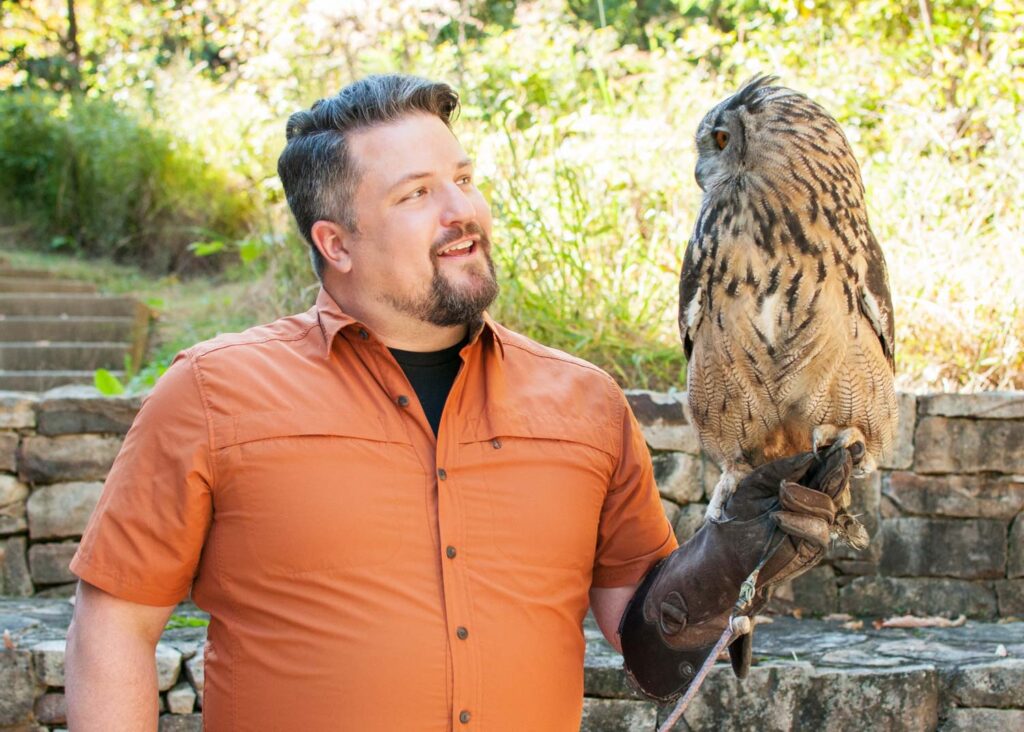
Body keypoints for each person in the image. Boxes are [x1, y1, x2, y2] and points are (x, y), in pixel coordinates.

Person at [65, 74, 852, 731]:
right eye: (417, 194)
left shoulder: (585, 403)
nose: (462, 211)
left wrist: (732, 556)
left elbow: (649, 648)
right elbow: (114, 627)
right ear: (335, 242)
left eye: (464, 180)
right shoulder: (212, 393)